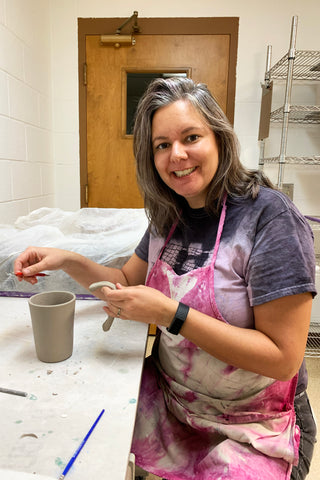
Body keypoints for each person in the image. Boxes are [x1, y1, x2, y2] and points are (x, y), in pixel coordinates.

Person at [14, 77, 317, 480]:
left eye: (191, 137)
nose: (177, 155)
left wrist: (173, 314)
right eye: (162, 145)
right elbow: (124, 277)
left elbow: (283, 358)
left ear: (220, 140)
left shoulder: (270, 219)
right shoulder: (169, 216)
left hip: (252, 427)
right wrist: (69, 260)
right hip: (174, 405)